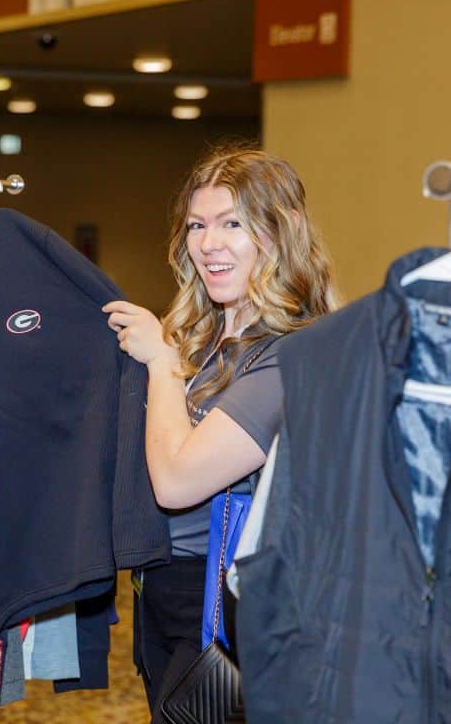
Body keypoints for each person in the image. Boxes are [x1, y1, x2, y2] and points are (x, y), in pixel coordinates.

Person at [103, 145, 338, 712]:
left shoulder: (294, 353)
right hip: (162, 594)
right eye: (197, 225)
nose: (209, 243)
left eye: (233, 223)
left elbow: (178, 481)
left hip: (226, 601)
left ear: (282, 233)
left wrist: (160, 362)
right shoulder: (201, 340)